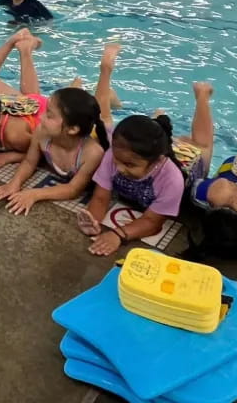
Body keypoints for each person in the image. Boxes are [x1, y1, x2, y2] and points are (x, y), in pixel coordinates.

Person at [79, 44, 215, 256]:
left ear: (156, 162)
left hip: (186, 163)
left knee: (203, 146)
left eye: (129, 165)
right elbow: (100, 198)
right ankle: (155, 116)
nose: (120, 168)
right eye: (118, 160)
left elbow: (152, 222)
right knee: (103, 120)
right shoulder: (116, 155)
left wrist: (118, 234)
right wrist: (92, 220)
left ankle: (203, 97)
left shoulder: (171, 179)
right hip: (150, 146)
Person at [0, 62, 112, 214]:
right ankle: (76, 85)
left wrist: (34, 194)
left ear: (72, 129)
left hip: (98, 132)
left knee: (104, 114)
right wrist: (14, 184)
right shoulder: (42, 132)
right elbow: (29, 162)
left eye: (49, 115)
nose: (41, 117)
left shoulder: (93, 153)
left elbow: (73, 189)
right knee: (77, 105)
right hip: (77, 125)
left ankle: (105, 72)